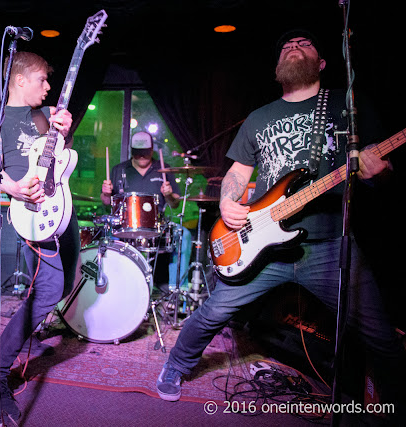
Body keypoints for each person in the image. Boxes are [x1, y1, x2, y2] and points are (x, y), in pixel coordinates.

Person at [155, 29, 405, 411]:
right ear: (276, 70)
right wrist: (227, 203)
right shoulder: (259, 117)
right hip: (262, 243)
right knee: (214, 312)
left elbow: (383, 169)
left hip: (328, 245)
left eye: (304, 43)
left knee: (380, 336)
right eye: (287, 45)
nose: (293, 45)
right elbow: (237, 174)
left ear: (322, 63)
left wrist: (379, 172)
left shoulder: (347, 104)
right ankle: (176, 364)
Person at [0, 51, 80, 422]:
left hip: (56, 212)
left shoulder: (46, 116)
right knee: (50, 289)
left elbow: (58, 157)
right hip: (26, 216)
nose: (48, 86)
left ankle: (21, 338)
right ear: (20, 80)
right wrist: (15, 188)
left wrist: (63, 129)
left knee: (60, 285)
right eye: (42, 79)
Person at [101, 131, 190, 288]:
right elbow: (107, 203)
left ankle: (176, 293)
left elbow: (175, 204)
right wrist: (106, 194)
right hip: (125, 228)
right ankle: (112, 290)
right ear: (132, 151)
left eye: (145, 152)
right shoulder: (119, 170)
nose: (142, 156)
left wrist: (168, 195)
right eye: (138, 153)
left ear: (151, 150)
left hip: (158, 227)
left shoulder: (163, 169)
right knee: (105, 239)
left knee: (184, 236)